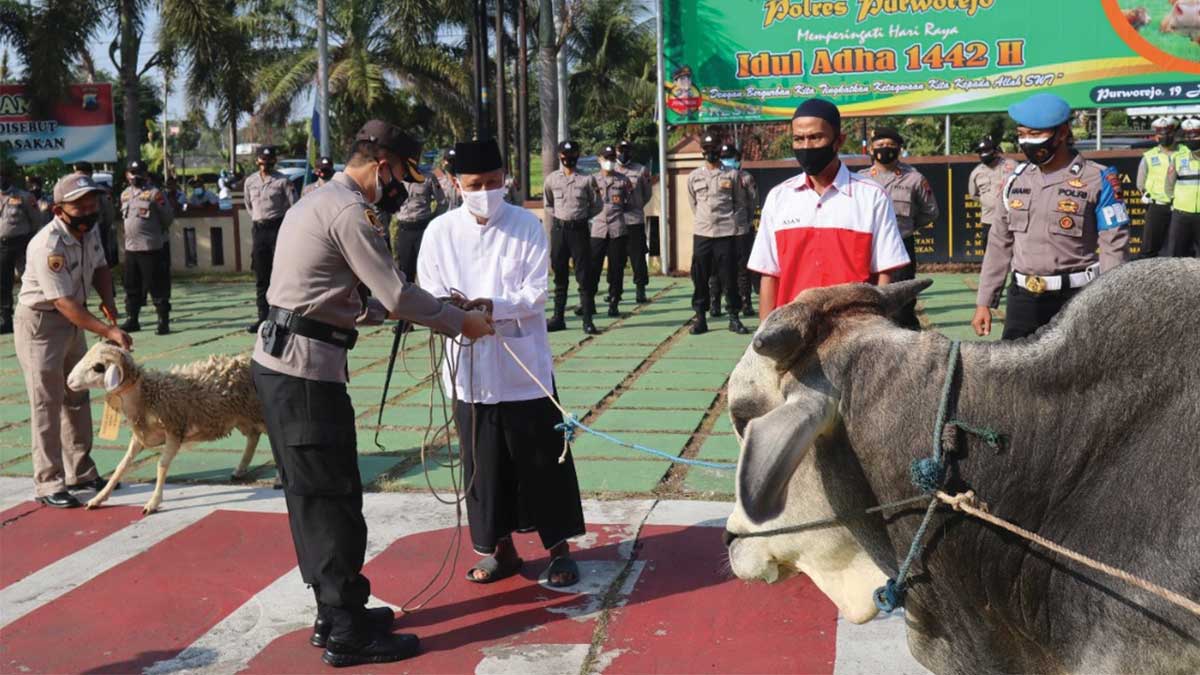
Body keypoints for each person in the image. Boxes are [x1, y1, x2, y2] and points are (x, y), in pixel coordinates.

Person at [250, 120, 494, 668]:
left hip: (295, 366)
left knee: (317, 497)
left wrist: (441, 303)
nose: (404, 190)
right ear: (382, 166)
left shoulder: (321, 200)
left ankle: (336, 611)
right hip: (303, 376)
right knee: (331, 502)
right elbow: (395, 294)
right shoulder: (349, 211)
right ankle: (346, 631)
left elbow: (352, 296)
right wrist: (460, 322)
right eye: (404, 177)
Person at [417, 138, 586, 589]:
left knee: (542, 461)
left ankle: (558, 549)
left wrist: (492, 305)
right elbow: (428, 295)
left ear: (505, 178)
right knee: (483, 468)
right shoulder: (439, 233)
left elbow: (536, 295)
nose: (486, 191)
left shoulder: (526, 226)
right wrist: (456, 313)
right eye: (475, 184)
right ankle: (500, 550)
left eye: (494, 182)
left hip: (524, 369)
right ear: (455, 184)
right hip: (470, 373)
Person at [14, 172, 131, 508]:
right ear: (58, 209)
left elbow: (101, 268)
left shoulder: (89, 231)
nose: (89, 208)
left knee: (77, 396)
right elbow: (63, 302)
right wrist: (108, 332)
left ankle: (81, 471)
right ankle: (49, 483)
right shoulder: (47, 244)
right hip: (42, 326)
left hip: (74, 323)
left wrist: (108, 302)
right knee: (46, 403)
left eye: (92, 201)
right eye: (80, 204)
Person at [972, 93, 1129, 340]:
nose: (1027, 142)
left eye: (1036, 135)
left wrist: (1113, 302)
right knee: (1016, 373)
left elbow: (1114, 247)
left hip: (1077, 297)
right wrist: (984, 302)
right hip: (1023, 299)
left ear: (1063, 133)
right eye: (1022, 133)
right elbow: (999, 244)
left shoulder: (1098, 179)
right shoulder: (1015, 180)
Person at [747, 98, 910, 320]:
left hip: (854, 333)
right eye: (798, 139)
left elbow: (885, 273)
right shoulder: (779, 197)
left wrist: (878, 327)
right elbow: (769, 273)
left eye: (815, 137)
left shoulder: (872, 196)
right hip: (793, 333)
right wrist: (763, 339)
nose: (806, 146)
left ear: (838, 140)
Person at [857, 126, 939, 329]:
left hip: (901, 245)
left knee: (902, 304)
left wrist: (908, 226)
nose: (885, 149)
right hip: (867, 248)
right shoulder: (859, 179)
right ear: (871, 150)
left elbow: (931, 211)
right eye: (880, 145)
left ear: (899, 149)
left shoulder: (914, 178)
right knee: (865, 301)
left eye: (891, 146)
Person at [687, 134, 750, 335]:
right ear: (702, 152)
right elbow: (693, 204)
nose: (711, 152)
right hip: (703, 233)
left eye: (714, 148)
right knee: (700, 277)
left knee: (729, 277)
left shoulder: (732, 175)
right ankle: (700, 318)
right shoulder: (694, 176)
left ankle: (734, 317)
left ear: (719, 149)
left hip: (725, 233)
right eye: (707, 148)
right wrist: (704, 220)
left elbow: (739, 203)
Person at [543, 140, 600, 334]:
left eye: (572, 155)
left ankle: (587, 320)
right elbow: (548, 203)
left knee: (584, 276)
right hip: (560, 231)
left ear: (578, 155)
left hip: (579, 231)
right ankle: (558, 318)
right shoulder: (552, 179)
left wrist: (580, 218)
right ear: (560, 156)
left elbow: (597, 204)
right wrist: (562, 218)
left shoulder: (587, 179)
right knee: (559, 275)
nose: (568, 159)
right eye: (565, 156)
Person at [243, 146, 295, 333]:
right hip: (259, 230)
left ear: (273, 162)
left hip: (277, 229)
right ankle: (262, 318)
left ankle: (283, 318)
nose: (265, 165)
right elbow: (249, 206)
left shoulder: (283, 181)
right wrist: (260, 220)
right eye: (262, 161)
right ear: (257, 161)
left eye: (269, 161)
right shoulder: (250, 181)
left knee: (281, 275)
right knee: (261, 276)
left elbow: (293, 206)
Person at [119, 160, 175, 335]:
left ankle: (162, 321)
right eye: (131, 173)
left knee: (157, 286)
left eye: (138, 173)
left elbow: (167, 218)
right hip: (131, 249)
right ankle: (132, 319)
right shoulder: (125, 195)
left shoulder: (155, 194)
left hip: (151, 247)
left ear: (145, 174)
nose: (135, 176)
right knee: (131, 286)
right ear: (127, 175)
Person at [707, 144, 758, 318]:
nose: (728, 160)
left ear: (738, 159)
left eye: (731, 157)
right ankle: (715, 302)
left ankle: (746, 302)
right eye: (725, 156)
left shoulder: (746, 178)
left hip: (741, 229)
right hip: (719, 230)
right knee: (716, 268)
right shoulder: (716, 176)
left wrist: (745, 221)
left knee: (743, 269)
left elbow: (752, 203)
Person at [589, 145, 634, 318]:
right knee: (593, 268)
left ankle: (614, 301)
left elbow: (629, 203)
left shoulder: (623, 181)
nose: (609, 162)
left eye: (612, 158)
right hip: (598, 229)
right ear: (599, 159)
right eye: (606, 158)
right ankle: (589, 301)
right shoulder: (592, 181)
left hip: (617, 229)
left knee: (616, 268)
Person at [1, 162, 43, 334]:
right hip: (1, 246)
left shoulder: (24, 196)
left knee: (29, 280)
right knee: (3, 283)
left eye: (2, 175)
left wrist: (28, 239)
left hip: (22, 243)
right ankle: (5, 319)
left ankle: (35, 316)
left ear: (9, 177)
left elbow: (36, 220)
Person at [390, 159, 447, 282]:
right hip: (404, 230)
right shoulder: (396, 178)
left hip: (422, 229)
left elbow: (442, 203)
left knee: (428, 271)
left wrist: (433, 220)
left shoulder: (428, 178)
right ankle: (407, 301)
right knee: (404, 272)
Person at [613, 140, 653, 304]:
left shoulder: (641, 170)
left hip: (634, 219)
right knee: (616, 258)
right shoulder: (611, 171)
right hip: (615, 221)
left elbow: (647, 194)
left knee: (637, 258)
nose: (623, 153)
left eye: (627, 150)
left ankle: (640, 290)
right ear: (615, 151)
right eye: (620, 150)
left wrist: (636, 206)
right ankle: (615, 291)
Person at [1136, 117, 1179, 258]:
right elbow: (1140, 182)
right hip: (1157, 207)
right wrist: (1146, 194)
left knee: (1180, 249)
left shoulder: (1185, 153)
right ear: (1156, 136)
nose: (1165, 137)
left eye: (1168, 133)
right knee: (1149, 249)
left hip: (1181, 207)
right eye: (1161, 134)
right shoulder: (1149, 156)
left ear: (1174, 134)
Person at [968, 137, 1018, 249]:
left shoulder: (1011, 165)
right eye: (980, 152)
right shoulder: (976, 173)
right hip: (989, 220)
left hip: (1011, 219)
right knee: (989, 256)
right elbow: (973, 194)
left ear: (995, 151)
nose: (983, 154)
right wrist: (989, 202)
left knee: (1014, 254)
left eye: (986, 150)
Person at [1164, 118, 1200, 258]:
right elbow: (1169, 185)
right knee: (1177, 258)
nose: (1192, 139)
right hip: (1181, 215)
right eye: (1188, 136)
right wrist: (1175, 202)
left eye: (1196, 135)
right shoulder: (1178, 158)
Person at [72, 161, 117, 266]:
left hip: (97, 231)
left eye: (80, 173)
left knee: (100, 263)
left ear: (89, 174)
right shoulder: (71, 192)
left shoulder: (99, 191)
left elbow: (109, 215)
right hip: (76, 234)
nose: (77, 176)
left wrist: (102, 229)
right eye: (75, 173)